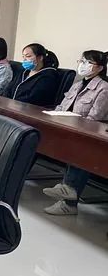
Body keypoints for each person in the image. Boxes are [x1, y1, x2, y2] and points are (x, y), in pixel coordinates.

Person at [42, 50, 108, 216]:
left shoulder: (104, 88)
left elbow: (95, 117)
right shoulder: (78, 84)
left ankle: (68, 196)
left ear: (100, 68)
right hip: (68, 127)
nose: (83, 65)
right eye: (82, 61)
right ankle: (67, 194)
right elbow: (62, 106)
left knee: (82, 148)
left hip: (89, 132)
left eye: (88, 62)